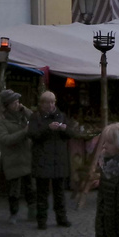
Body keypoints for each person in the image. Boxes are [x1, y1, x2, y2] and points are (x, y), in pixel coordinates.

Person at [28, 90, 85, 229]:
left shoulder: (61, 115)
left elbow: (72, 134)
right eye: (48, 102)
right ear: (42, 103)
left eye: (53, 102)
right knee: (42, 193)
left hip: (59, 160)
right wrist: (48, 129)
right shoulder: (36, 117)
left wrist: (64, 129)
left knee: (59, 192)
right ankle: (41, 220)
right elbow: (33, 134)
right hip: (42, 159)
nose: (51, 105)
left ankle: (62, 218)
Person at [0, 89, 33, 220]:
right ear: (7, 105)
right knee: (14, 189)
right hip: (12, 158)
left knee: (31, 187)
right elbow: (5, 139)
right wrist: (24, 132)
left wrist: (25, 110)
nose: (17, 105)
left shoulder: (22, 114)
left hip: (27, 156)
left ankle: (33, 212)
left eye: (18, 102)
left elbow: (36, 120)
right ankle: (13, 213)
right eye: (14, 103)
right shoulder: (0, 120)